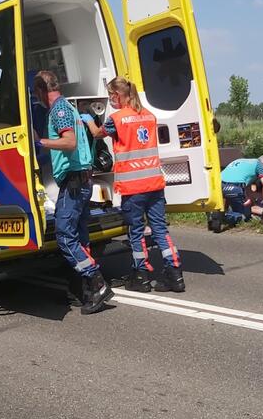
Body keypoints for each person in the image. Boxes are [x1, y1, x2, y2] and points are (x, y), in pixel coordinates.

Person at [82, 77, 185, 293]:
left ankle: (141, 276)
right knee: (160, 229)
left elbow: (97, 133)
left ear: (118, 95)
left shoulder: (116, 118)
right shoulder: (149, 115)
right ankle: (174, 273)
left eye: (111, 96)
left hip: (133, 186)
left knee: (136, 232)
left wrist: (88, 118)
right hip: (155, 183)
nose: (111, 100)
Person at [33, 70, 113, 315]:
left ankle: (96, 281)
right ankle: (83, 289)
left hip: (74, 182)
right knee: (80, 237)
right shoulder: (67, 108)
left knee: (65, 236)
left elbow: (69, 142)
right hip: (81, 180)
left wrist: (40, 142)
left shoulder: (58, 110)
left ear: (40, 90)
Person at [219, 156, 263, 225]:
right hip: (234, 187)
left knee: (236, 208)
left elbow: (248, 191)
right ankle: (222, 217)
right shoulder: (259, 164)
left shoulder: (242, 161)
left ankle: (219, 214)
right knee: (245, 217)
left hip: (218, 184)